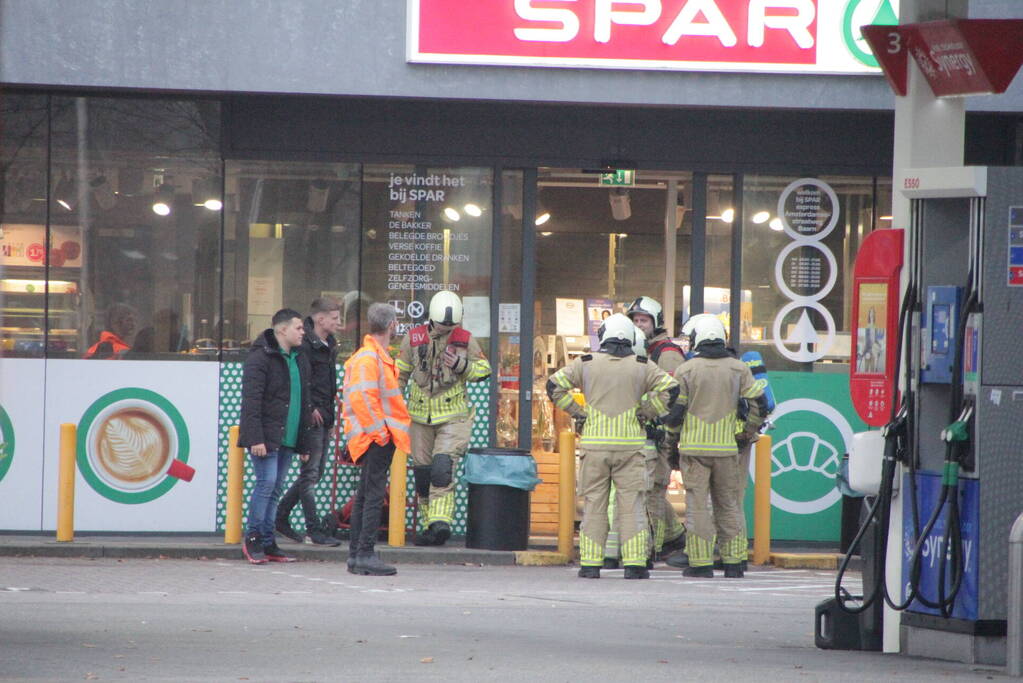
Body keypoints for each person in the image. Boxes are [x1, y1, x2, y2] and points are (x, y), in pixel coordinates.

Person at [547, 313, 678, 580]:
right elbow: (672, 390)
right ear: (630, 337)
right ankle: (634, 565)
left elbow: (554, 386)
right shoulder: (642, 365)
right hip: (631, 446)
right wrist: (646, 412)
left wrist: (578, 412)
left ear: (603, 335)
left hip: (595, 445)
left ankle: (591, 565)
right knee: (631, 505)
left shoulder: (585, 363)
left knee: (594, 505)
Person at [665, 315, 767, 578]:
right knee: (729, 505)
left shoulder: (687, 370)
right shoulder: (738, 368)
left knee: (697, 506)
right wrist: (747, 431)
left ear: (698, 338)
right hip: (726, 450)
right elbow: (759, 404)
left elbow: (676, 413)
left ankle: (700, 563)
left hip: (694, 450)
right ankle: (734, 562)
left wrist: (671, 444)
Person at [396, 291, 491, 546]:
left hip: (453, 417)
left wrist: (462, 365)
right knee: (423, 474)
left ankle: (441, 522)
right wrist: (392, 408)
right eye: (442, 325)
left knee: (441, 469)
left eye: (452, 326)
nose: (448, 330)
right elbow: (400, 374)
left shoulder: (465, 340)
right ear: (431, 319)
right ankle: (430, 527)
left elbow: (484, 370)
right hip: (418, 418)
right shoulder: (413, 338)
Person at [238, 308, 312, 565]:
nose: (303, 332)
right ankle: (254, 538)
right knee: (266, 483)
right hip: (266, 436)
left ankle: (269, 541)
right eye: (298, 328)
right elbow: (251, 401)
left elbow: (304, 400)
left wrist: (304, 442)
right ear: (282, 329)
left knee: (276, 487)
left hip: (288, 437)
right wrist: (255, 438)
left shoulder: (299, 358)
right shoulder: (261, 357)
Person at [342, 302, 411, 576]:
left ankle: (357, 555)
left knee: (365, 495)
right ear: (392, 325)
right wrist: (381, 434)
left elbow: (365, 398)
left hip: (371, 436)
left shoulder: (372, 356)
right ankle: (365, 554)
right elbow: (364, 399)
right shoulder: (370, 358)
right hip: (375, 437)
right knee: (372, 496)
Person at [276, 297, 343, 546]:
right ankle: (313, 529)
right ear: (320, 318)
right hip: (312, 417)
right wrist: (310, 407)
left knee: (316, 473)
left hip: (324, 416)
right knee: (310, 474)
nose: (339, 323)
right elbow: (303, 379)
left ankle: (281, 515)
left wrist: (331, 417)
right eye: (335, 318)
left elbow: (329, 383)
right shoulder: (305, 344)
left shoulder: (329, 343)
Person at [626, 296, 687, 561]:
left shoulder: (667, 353)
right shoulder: (642, 350)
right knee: (648, 489)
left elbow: (673, 396)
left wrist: (664, 431)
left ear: (656, 322)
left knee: (653, 490)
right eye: (635, 320)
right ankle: (675, 536)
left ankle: (654, 546)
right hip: (646, 431)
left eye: (644, 320)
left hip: (660, 433)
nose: (639, 325)